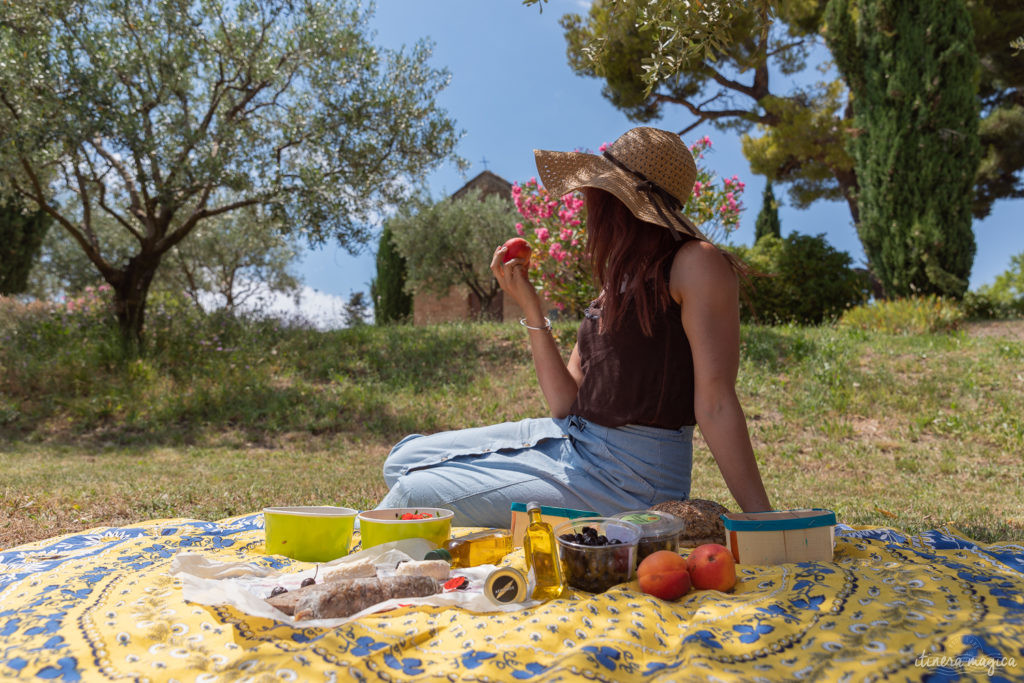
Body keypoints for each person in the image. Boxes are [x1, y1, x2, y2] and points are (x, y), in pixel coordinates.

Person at [377, 127, 771, 528]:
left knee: (411, 494)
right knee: (403, 458)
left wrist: (765, 520)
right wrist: (531, 306)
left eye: (596, 191)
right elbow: (565, 403)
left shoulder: (695, 263)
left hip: (629, 478)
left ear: (617, 201)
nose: (586, 201)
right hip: (571, 438)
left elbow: (717, 403)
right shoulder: (619, 279)